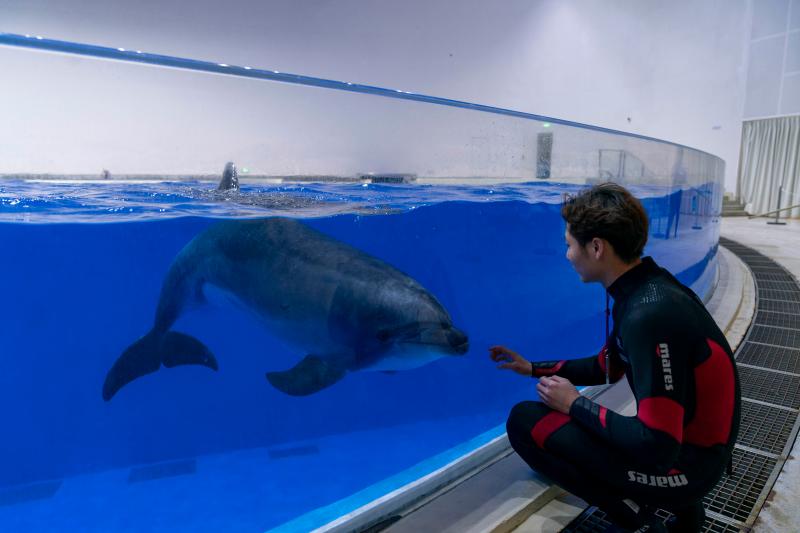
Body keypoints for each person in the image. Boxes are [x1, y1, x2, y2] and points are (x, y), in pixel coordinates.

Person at [489, 183, 740, 533]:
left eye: (569, 245)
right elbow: (607, 365)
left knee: (525, 423)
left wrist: (575, 404)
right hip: (692, 453)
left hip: (685, 470)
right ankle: (675, 507)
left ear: (596, 247)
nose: (567, 255)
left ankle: (637, 513)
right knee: (539, 416)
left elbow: (657, 446)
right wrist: (531, 367)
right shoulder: (646, 289)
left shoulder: (647, 315)